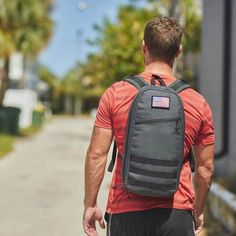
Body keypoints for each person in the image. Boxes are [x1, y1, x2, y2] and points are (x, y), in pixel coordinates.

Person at [83, 17, 214, 236]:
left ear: (144, 46)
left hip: (125, 212)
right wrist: (197, 209)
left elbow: (97, 155)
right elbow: (205, 167)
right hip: (177, 213)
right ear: (178, 51)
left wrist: (90, 204)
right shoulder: (197, 102)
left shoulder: (116, 93)